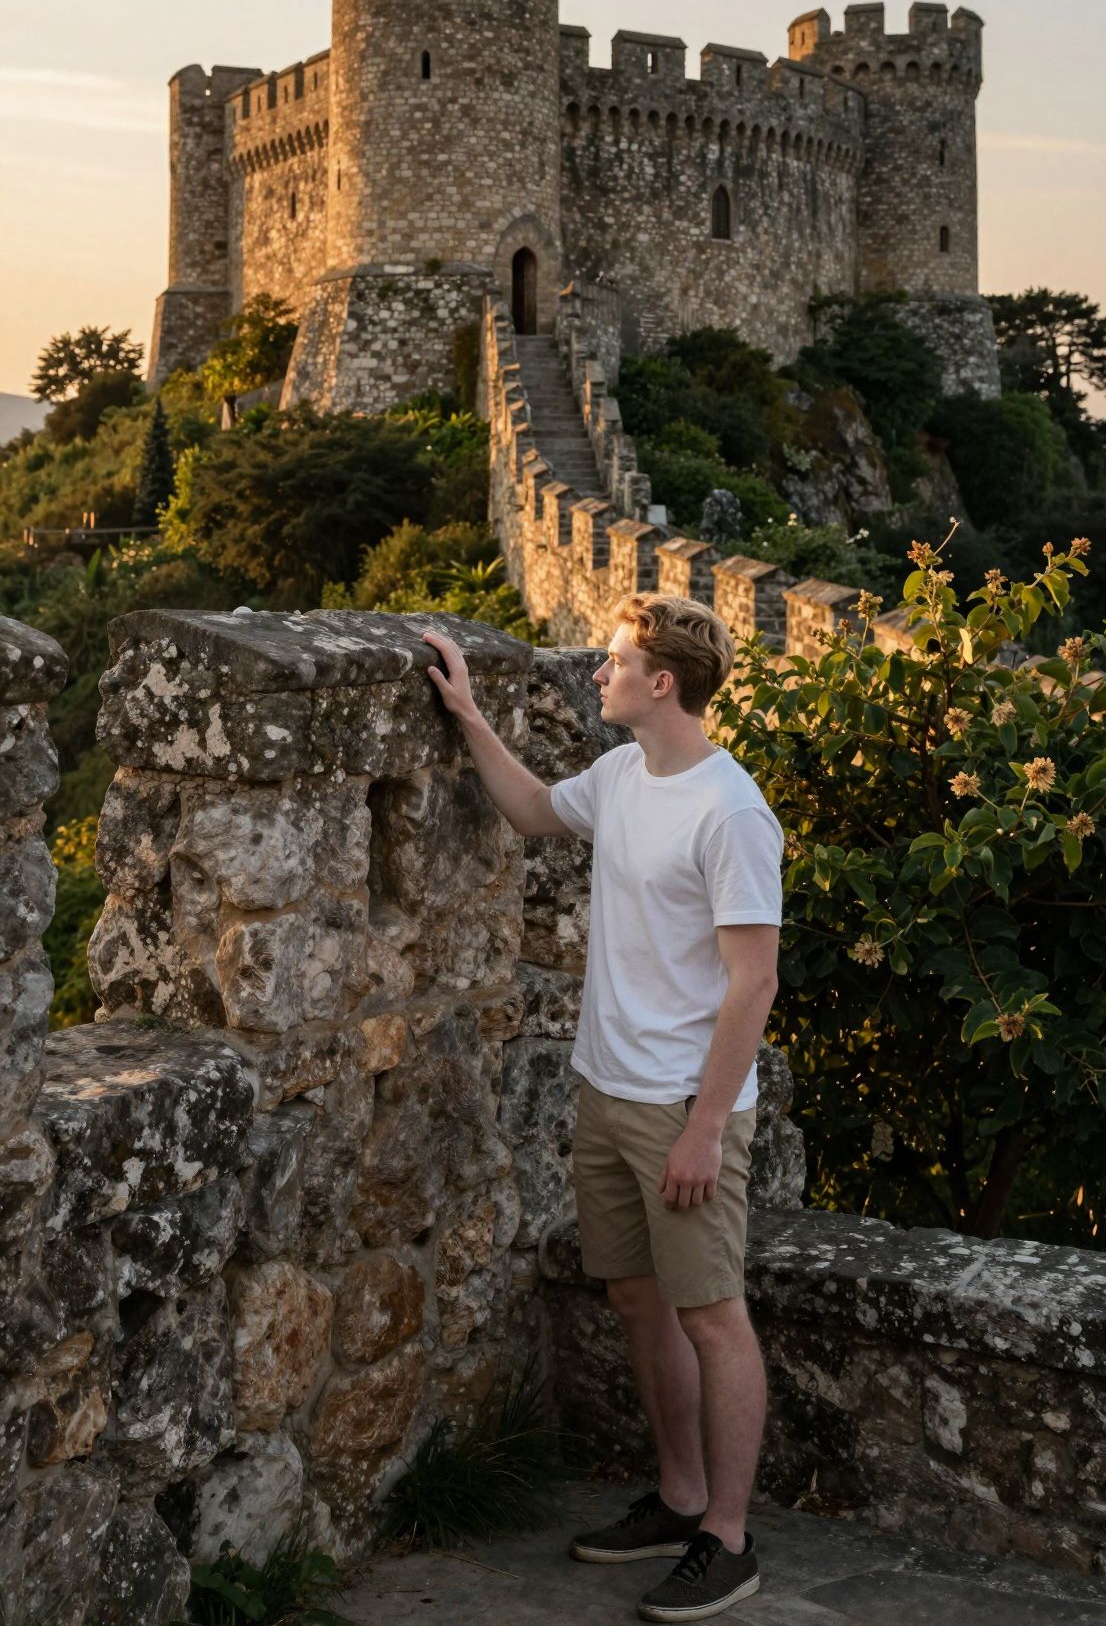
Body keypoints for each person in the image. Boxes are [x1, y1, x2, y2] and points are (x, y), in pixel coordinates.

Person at [422, 593, 782, 1624]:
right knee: (635, 1299)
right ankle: (676, 1498)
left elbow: (752, 981)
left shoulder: (731, 809)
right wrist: (469, 713)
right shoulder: (623, 775)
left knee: (714, 1316)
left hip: (682, 1104)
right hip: (605, 1084)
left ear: (660, 682)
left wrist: (709, 1124)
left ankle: (728, 1534)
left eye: (615, 660)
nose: (599, 672)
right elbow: (536, 809)